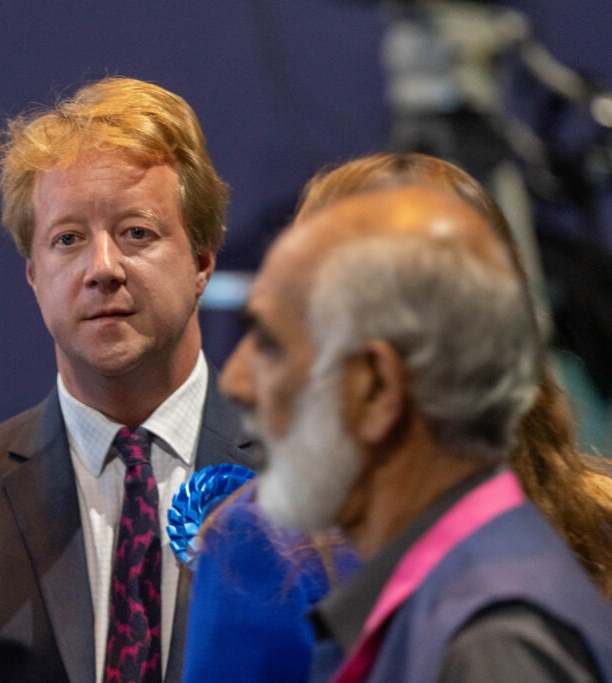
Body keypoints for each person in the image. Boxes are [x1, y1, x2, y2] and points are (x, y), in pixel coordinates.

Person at [0, 76, 260, 682]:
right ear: (32, 275)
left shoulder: (309, 475)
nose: (102, 268)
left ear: (203, 260)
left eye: (137, 233)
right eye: (68, 239)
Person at [226, 184, 612, 681]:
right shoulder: (460, 609)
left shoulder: (491, 645)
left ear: (377, 388)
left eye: (274, 345)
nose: (237, 381)